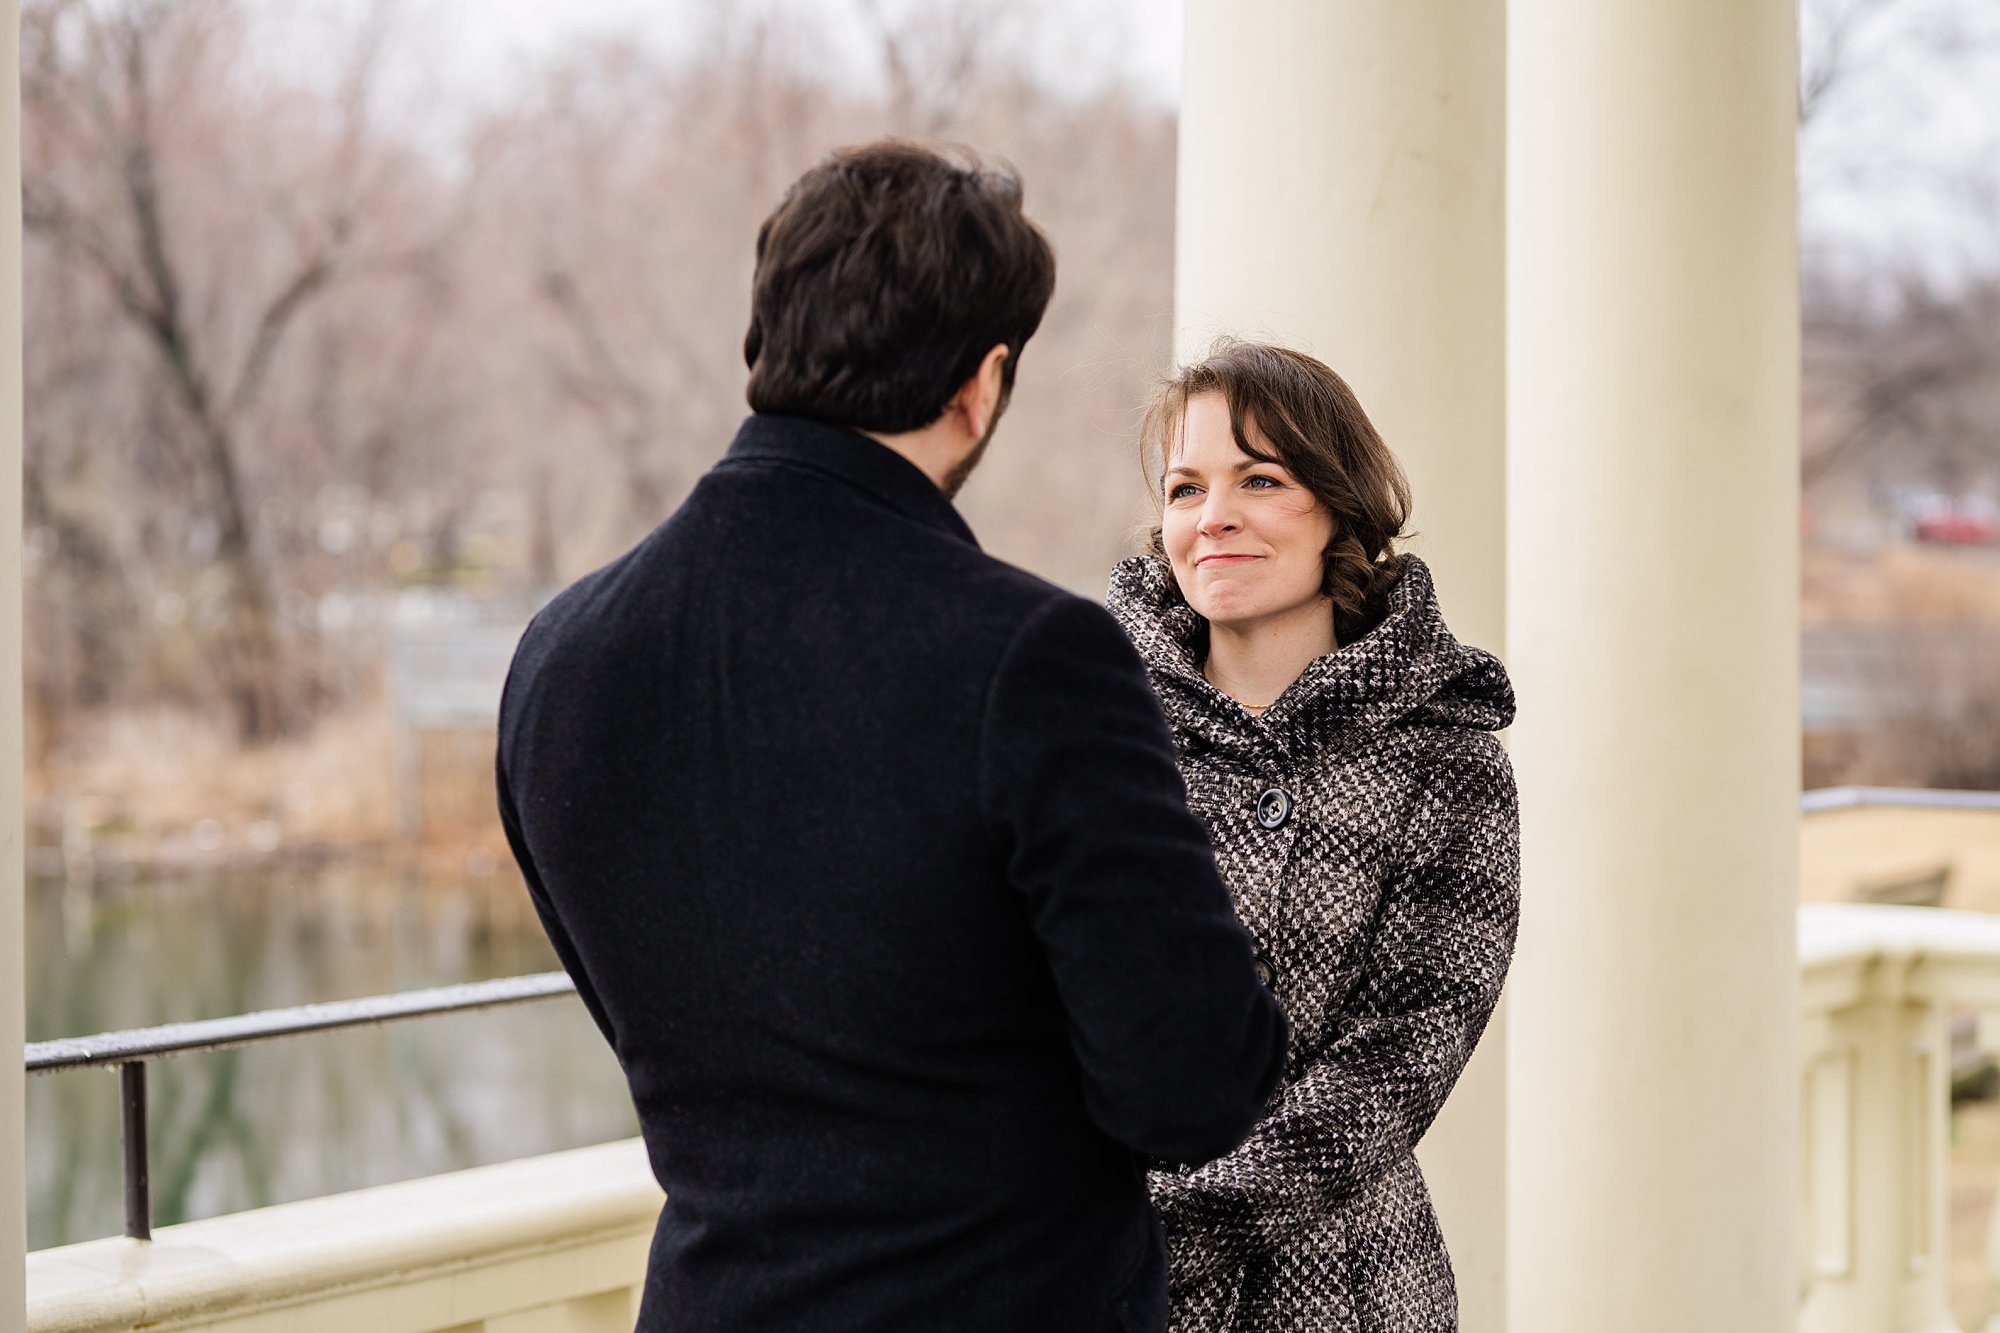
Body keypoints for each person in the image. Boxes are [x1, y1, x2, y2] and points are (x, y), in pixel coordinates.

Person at [495, 143, 1289, 1333]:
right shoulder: (1035, 657)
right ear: (982, 382)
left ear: (762, 344)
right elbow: (1188, 1086)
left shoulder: (555, 659)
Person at [1106, 340, 1520, 1332]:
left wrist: (1148, 1239)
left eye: (1259, 479)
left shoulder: (1448, 758)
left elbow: (1401, 1057)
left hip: (1346, 1290)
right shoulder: (1089, 734)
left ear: (1337, 502)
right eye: (1185, 488)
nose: (1213, 518)